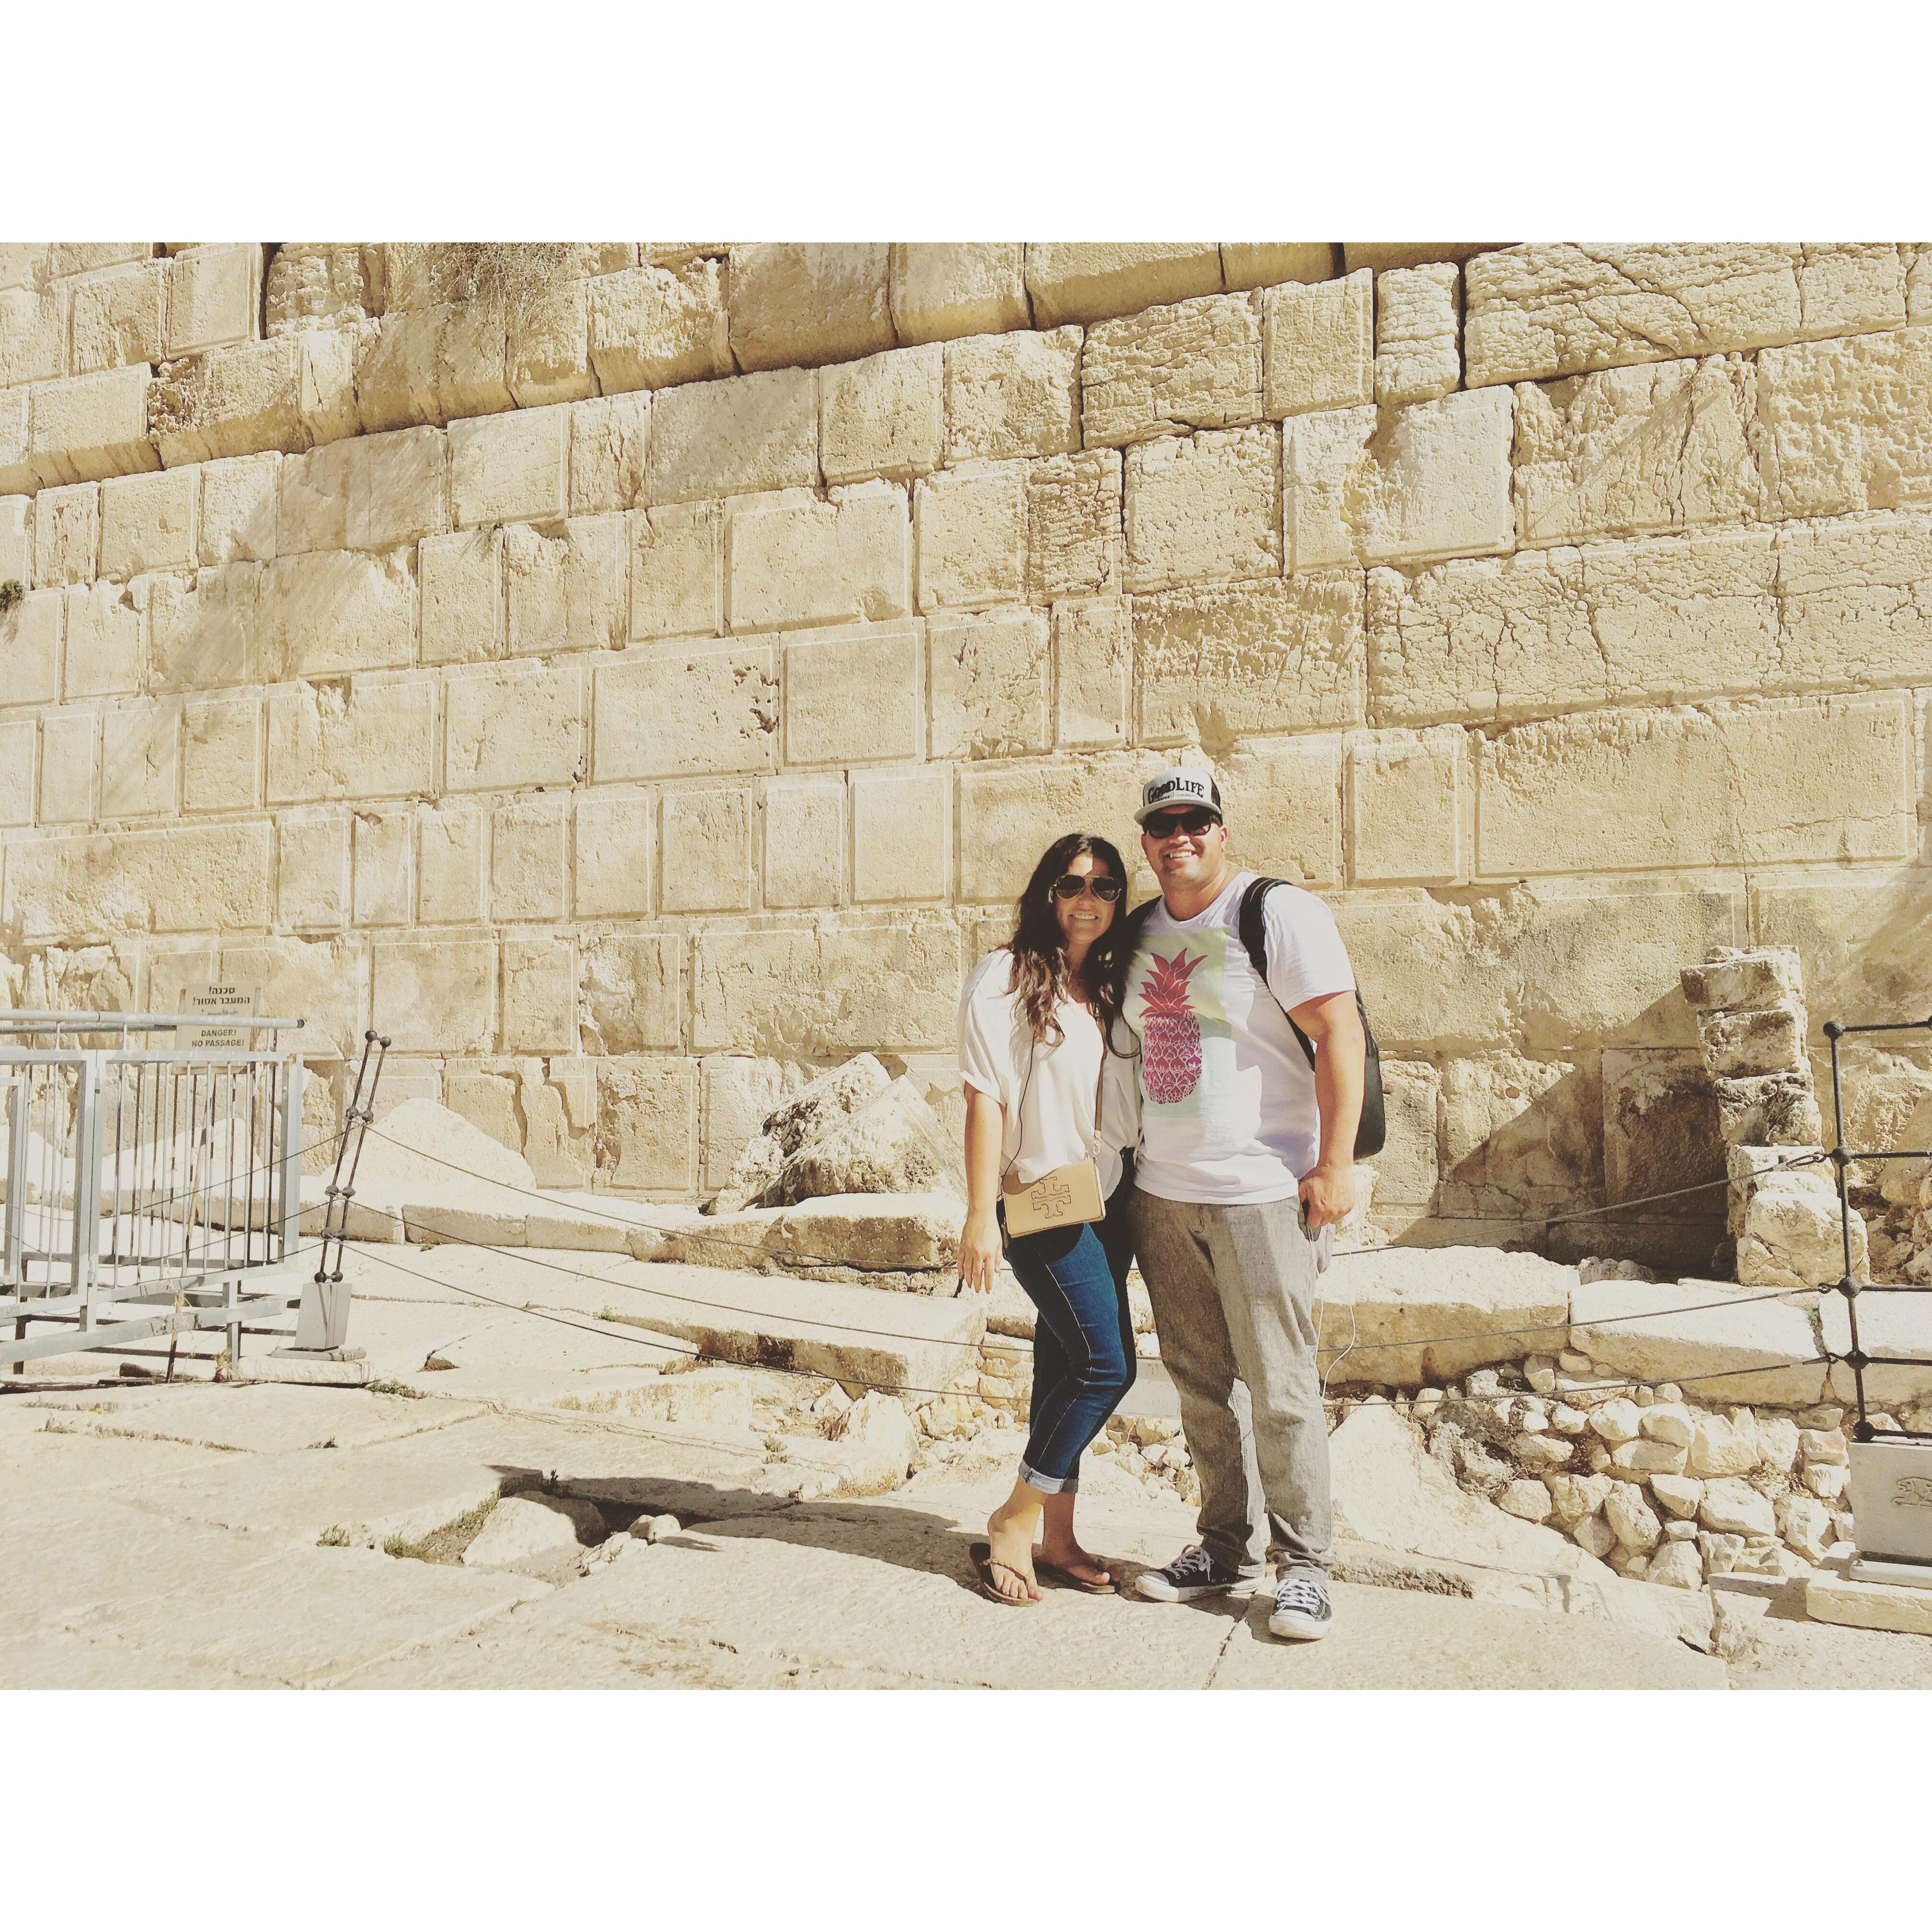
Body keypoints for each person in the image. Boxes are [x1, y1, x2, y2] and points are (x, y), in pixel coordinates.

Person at [1119, 768, 1365, 1642]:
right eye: (1162, 824)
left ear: (1222, 830)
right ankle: (1224, 1548)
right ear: (1146, 842)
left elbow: (1340, 1032)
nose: (1178, 836)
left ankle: (1305, 1569)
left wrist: (1333, 1163)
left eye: (1195, 819)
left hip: (1263, 1190)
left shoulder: (1275, 913)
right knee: (1197, 1387)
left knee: (1284, 1386)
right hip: (1164, 1194)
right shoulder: (1139, 930)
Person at [955, 833, 1143, 1606]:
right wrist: (977, 1215)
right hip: (1040, 1202)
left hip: (1108, 1201)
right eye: (1072, 885)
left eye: (1104, 887)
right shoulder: (1006, 975)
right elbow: (984, 1096)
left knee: (1063, 1364)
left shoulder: (1106, 981)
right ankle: (1014, 1518)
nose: (1088, 900)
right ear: (1047, 893)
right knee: (1109, 1365)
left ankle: (1058, 1538)